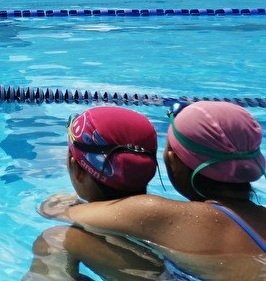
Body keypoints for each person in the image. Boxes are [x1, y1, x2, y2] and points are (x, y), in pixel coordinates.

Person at [45, 101, 266, 281]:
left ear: (172, 161)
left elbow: (57, 212)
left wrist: (58, 204)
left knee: (60, 237)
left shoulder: (158, 213)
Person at [27, 107, 161, 280]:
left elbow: (50, 211)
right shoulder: (176, 218)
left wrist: (56, 209)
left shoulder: (65, 235)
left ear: (76, 170)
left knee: (54, 240)